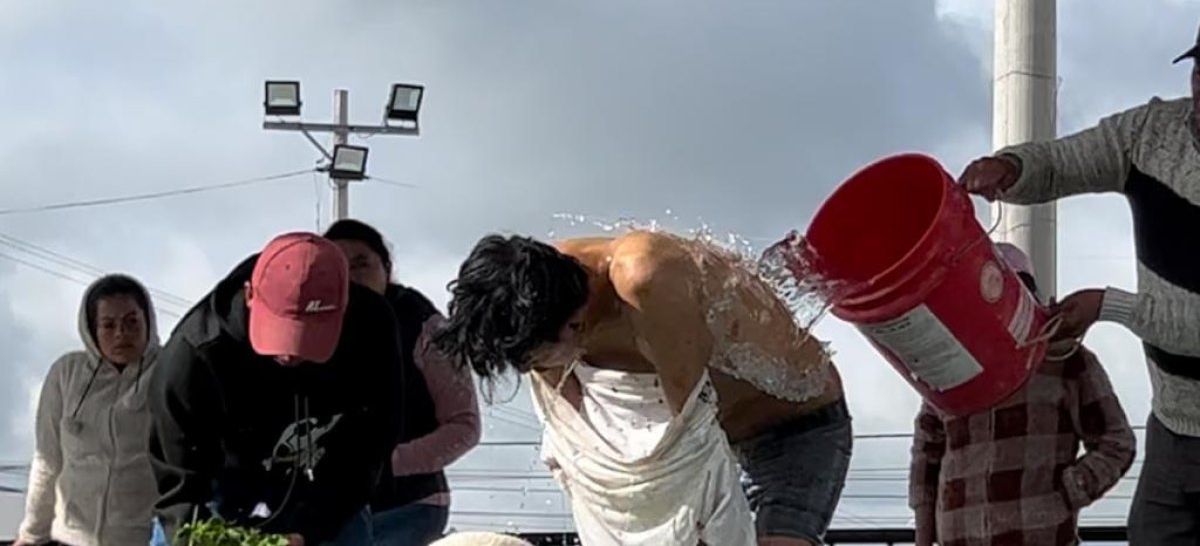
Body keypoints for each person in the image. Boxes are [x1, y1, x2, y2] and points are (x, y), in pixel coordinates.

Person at [436, 231, 850, 546]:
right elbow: (582, 445)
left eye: (541, 360)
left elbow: (693, 442)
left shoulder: (645, 281)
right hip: (714, 436)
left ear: (575, 323)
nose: (539, 372)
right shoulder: (526, 303)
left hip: (795, 428)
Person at [959, 22, 1200, 544]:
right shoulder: (1150, 134)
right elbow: (1069, 159)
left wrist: (1104, 305)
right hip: (1172, 423)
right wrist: (1011, 167)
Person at [147, 232, 404, 546]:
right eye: (279, 332)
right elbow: (178, 481)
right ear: (250, 295)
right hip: (219, 482)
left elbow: (370, 444)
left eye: (311, 338)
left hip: (324, 484)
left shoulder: (373, 327)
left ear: (345, 306)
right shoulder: (195, 355)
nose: (291, 354)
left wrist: (309, 531)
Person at [908, 243, 1135, 546]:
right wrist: (924, 535)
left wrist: (1066, 493)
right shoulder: (953, 363)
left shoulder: (1066, 359)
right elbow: (927, 450)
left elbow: (1117, 443)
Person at [324, 219, 482, 546]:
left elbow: (464, 426)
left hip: (409, 506)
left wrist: (387, 464)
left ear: (387, 268)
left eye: (362, 264)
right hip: (332, 507)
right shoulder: (310, 324)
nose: (351, 277)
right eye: (338, 268)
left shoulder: (425, 326)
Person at [15, 274, 160, 546]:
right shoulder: (66, 374)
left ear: (148, 321)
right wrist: (31, 535)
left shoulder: (167, 372)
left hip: (141, 539)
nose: (121, 334)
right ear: (91, 329)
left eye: (131, 322)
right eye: (108, 325)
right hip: (70, 538)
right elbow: (48, 461)